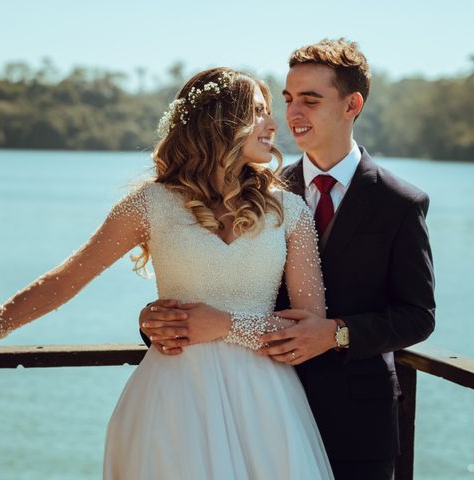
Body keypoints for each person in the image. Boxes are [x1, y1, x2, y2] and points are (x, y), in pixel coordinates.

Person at [0, 67, 334, 479]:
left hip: (266, 406)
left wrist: (224, 326)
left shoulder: (290, 211)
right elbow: (65, 280)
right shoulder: (150, 204)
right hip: (174, 401)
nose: (273, 125)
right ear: (221, 121)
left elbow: (309, 328)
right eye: (258, 112)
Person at [139, 39, 436, 480]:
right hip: (257, 412)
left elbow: (418, 316)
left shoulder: (400, 202)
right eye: (289, 99)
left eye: (310, 101)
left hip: (357, 423)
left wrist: (336, 334)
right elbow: (212, 281)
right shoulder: (256, 190)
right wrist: (159, 323)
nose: (292, 114)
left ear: (352, 104)